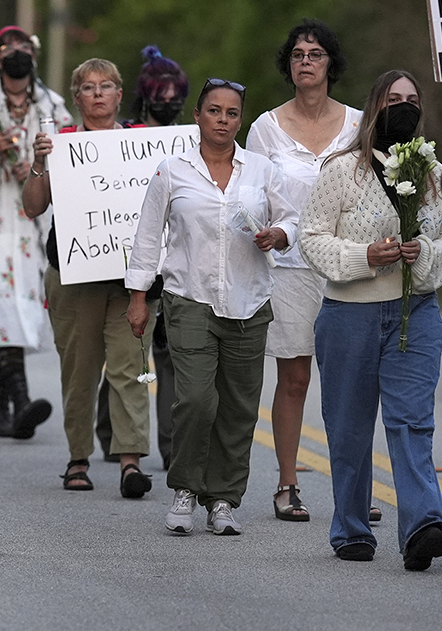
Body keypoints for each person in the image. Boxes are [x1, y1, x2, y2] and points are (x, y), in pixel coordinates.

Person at [300, 70, 442, 568]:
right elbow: (311, 237)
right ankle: (350, 528)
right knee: (348, 428)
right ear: (375, 106)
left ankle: (422, 524)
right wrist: (363, 256)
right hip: (351, 315)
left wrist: (425, 253)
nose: (405, 106)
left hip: (416, 312)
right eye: (394, 98)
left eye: (412, 99)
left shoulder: (432, 172)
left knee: (412, 421)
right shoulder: (343, 170)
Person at [126, 78, 299, 534]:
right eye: (214, 111)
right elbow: (148, 237)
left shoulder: (261, 170)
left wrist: (278, 235)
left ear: (240, 120)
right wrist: (138, 298)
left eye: (232, 113)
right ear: (198, 116)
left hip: (249, 301)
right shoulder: (172, 171)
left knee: (239, 408)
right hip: (189, 298)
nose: (223, 120)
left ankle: (223, 500)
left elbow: (291, 219)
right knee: (197, 400)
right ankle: (185, 489)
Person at [245, 20, 362, 523]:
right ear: (288, 65)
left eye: (315, 53)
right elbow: (250, 196)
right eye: (297, 54)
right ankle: (287, 483)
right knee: (294, 377)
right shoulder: (265, 128)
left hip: (350, 268)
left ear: (330, 64)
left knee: (350, 381)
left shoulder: (362, 124)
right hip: (290, 267)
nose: (306, 61)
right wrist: (264, 230)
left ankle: (354, 491)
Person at [26, 58, 155, 497]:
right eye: (88, 87)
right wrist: (40, 163)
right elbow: (32, 206)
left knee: (131, 368)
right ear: (76, 98)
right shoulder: (59, 145)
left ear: (120, 95)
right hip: (74, 275)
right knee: (79, 371)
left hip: (130, 282)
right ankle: (77, 458)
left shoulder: (142, 144)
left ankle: (130, 462)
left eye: (106, 86)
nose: (98, 94)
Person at [0, 26, 69, 440]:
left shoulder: (52, 104)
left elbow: (72, 164)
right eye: (9, 47)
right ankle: (19, 402)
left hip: (32, 219)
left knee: (23, 302)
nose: (17, 53)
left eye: (25, 47)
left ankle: (1, 411)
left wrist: (39, 171)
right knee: (1, 299)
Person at [95, 45, 188, 468]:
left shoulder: (189, 142)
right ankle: (112, 433)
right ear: (145, 96)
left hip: (173, 269)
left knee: (168, 357)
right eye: (161, 93)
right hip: (123, 265)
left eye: (176, 95)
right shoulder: (120, 138)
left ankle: (171, 448)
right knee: (127, 358)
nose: (168, 102)